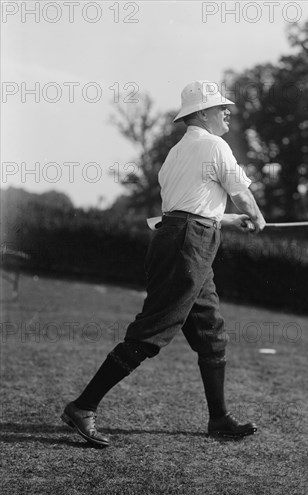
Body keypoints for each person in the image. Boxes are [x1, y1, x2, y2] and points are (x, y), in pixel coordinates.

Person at [61, 80, 266, 447]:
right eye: (221, 107)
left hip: (179, 238)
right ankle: (83, 405)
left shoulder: (176, 154)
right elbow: (240, 195)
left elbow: (188, 208)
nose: (227, 112)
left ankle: (218, 418)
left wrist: (232, 220)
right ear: (202, 113)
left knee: (211, 333)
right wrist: (255, 215)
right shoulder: (215, 146)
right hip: (189, 244)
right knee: (152, 331)